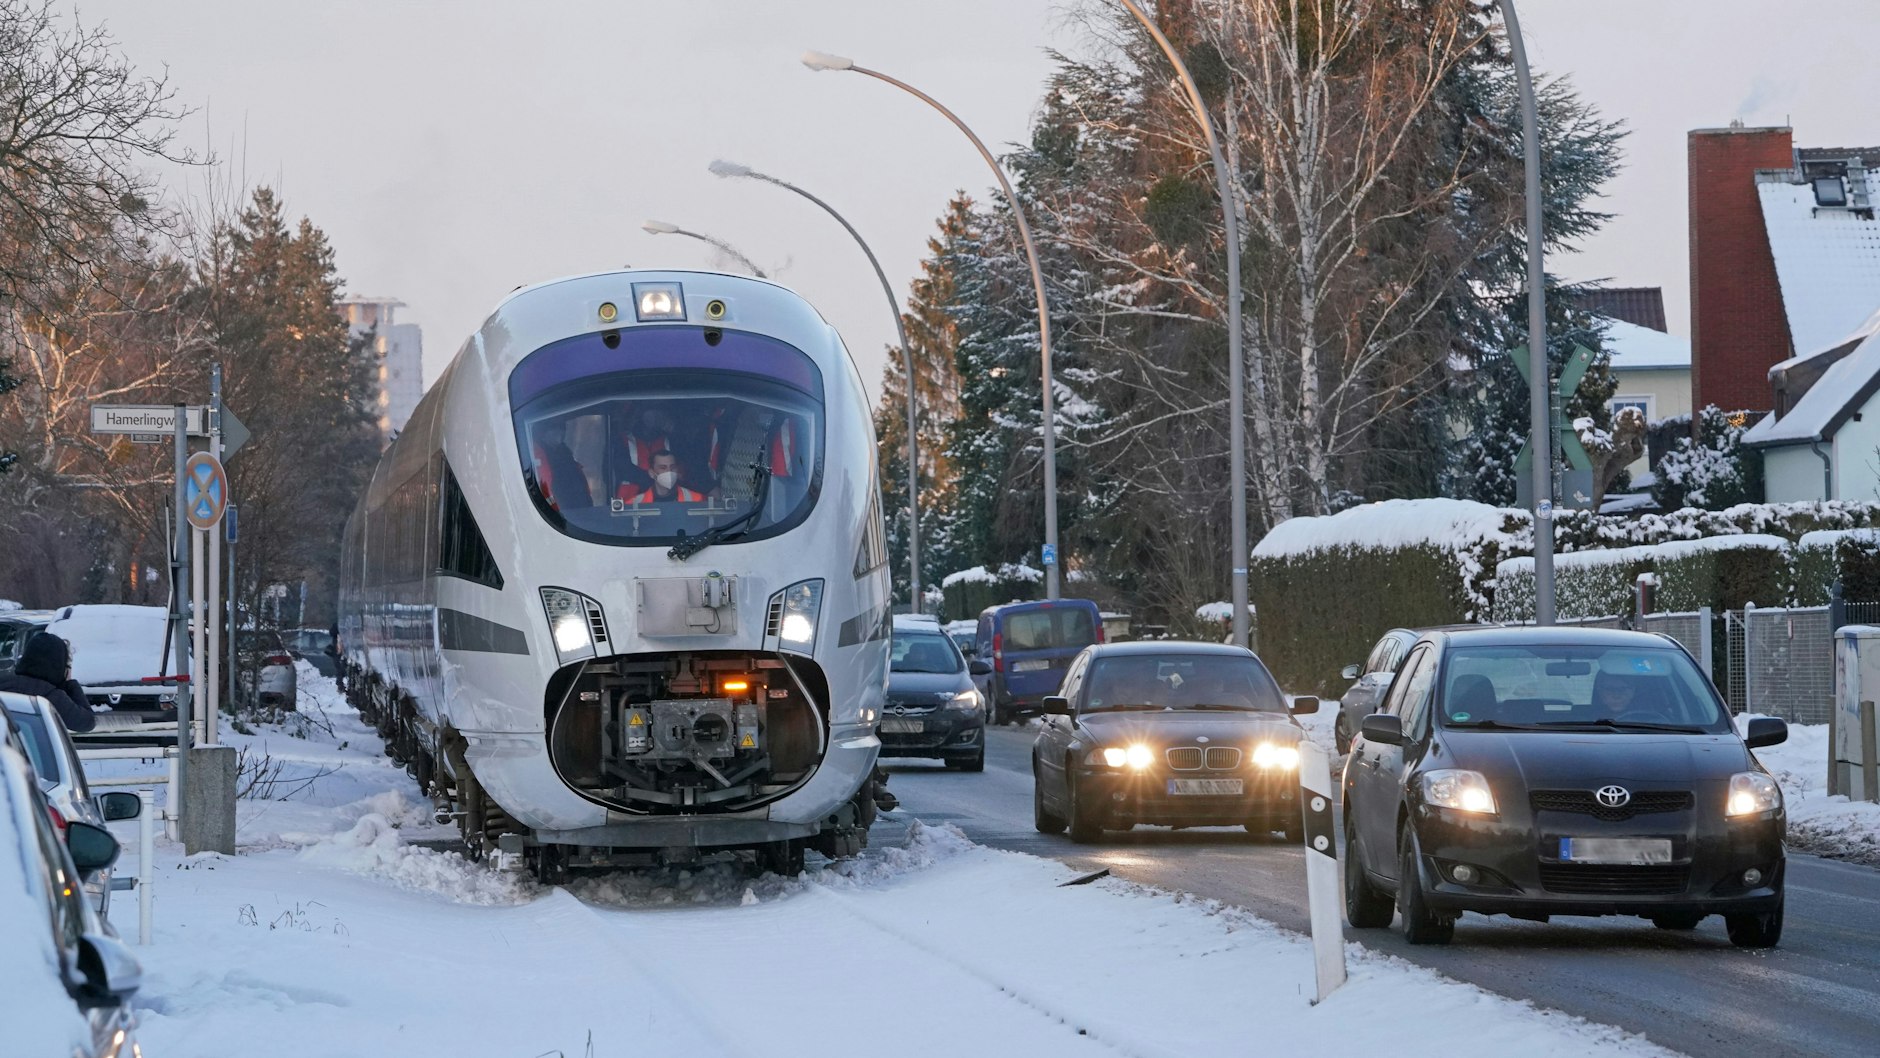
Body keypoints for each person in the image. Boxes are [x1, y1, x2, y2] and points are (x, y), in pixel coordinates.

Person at [0, 632, 96, 733]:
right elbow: (87, 722)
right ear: (59, 667)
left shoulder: (3, 685)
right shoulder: (51, 696)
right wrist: (69, 684)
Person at [532, 419, 592, 510]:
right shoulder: (538, 454)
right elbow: (547, 486)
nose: (561, 432)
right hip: (562, 513)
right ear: (544, 432)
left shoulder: (564, 451)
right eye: (554, 428)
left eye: (562, 428)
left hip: (580, 506)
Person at [618, 450, 704, 504]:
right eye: (663, 468)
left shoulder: (696, 499)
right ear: (651, 473)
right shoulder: (635, 503)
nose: (668, 471)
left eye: (672, 467)